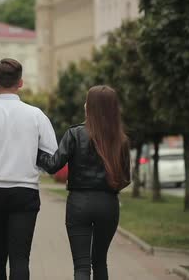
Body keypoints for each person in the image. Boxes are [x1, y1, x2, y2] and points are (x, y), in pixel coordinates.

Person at [0, 58, 58, 280]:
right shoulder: (36, 115)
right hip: (26, 192)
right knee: (20, 258)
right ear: (21, 83)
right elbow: (52, 156)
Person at [36, 85, 131, 280]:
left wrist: (35, 150)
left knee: (81, 266)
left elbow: (53, 165)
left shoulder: (75, 134)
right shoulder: (121, 140)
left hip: (78, 203)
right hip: (108, 204)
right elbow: (125, 178)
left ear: (91, 107)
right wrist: (108, 188)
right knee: (100, 261)